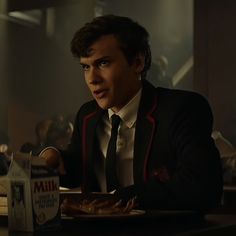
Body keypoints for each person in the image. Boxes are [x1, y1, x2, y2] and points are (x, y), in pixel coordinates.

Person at [41, 14, 223, 211]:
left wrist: (117, 199)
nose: (92, 78)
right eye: (86, 67)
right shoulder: (87, 115)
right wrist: (54, 156)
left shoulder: (182, 109)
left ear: (137, 62)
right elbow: (77, 167)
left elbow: (202, 189)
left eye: (103, 63)